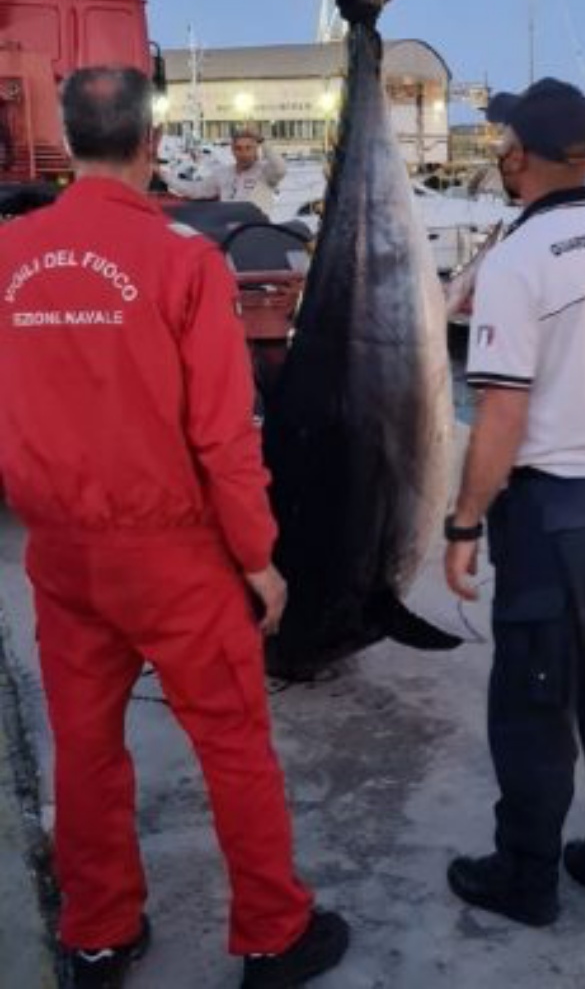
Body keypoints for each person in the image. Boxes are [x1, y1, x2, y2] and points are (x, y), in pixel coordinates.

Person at [0, 67, 349, 989]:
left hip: (63, 557)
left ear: (70, 141)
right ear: (151, 144)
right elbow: (223, 434)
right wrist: (259, 559)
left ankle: (99, 935)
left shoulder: (6, 259)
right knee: (232, 745)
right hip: (175, 555)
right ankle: (274, 933)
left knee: (84, 749)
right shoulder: (187, 263)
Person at [444, 78, 585, 927]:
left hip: (558, 517)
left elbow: (501, 410)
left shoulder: (517, 259)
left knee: (535, 701)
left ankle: (527, 876)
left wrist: (464, 522)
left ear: (516, 158)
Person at [173, 126, 287, 218]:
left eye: (248, 148)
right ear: (233, 150)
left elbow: (280, 168)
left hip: (256, 231)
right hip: (228, 234)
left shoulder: (265, 172)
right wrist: (163, 174)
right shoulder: (223, 173)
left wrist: (262, 141)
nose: (244, 153)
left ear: (256, 149)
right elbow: (194, 190)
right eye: (239, 148)